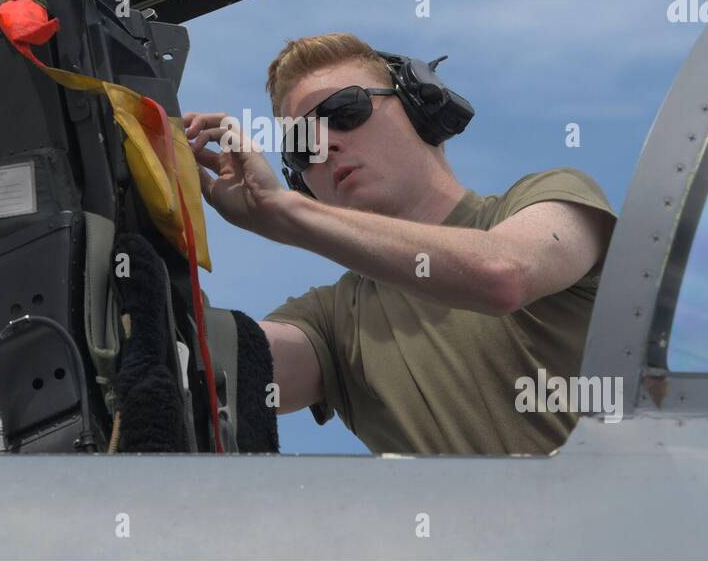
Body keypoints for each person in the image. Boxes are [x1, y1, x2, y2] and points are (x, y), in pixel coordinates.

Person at [183, 32, 617, 455]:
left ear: (418, 106)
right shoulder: (333, 320)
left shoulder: (551, 196)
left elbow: (503, 275)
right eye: (301, 144)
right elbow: (213, 370)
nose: (326, 144)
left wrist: (285, 212)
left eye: (345, 110)